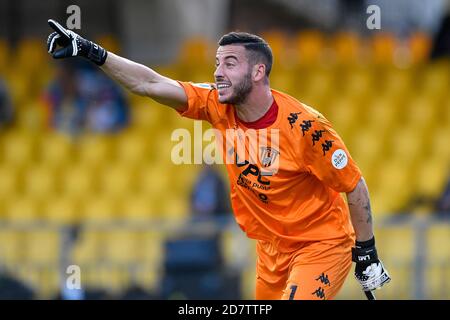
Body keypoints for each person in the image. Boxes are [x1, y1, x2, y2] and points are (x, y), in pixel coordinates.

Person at [46, 19, 391, 300]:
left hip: (321, 244)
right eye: (216, 64)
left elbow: (354, 185)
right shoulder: (216, 104)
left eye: (230, 63)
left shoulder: (306, 127)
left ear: (258, 72)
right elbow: (149, 84)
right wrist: (92, 52)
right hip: (271, 250)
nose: (218, 73)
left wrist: (367, 251)